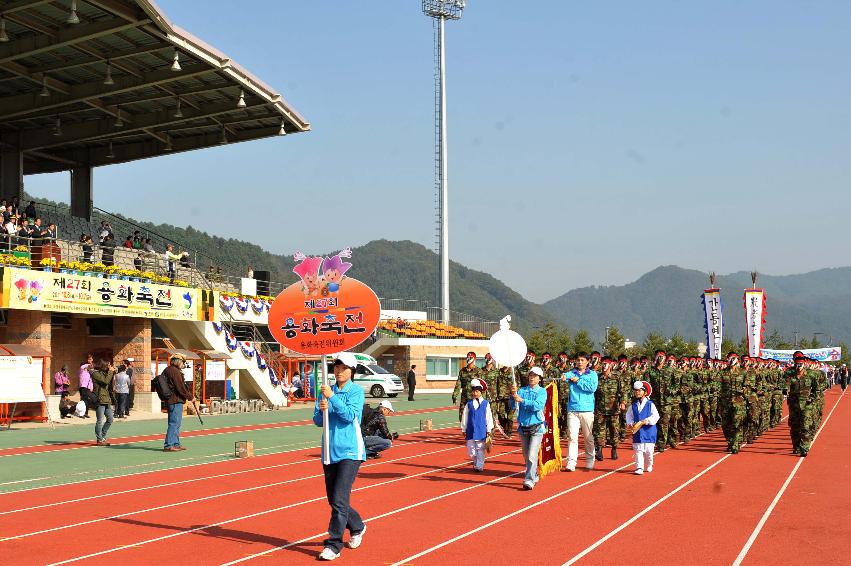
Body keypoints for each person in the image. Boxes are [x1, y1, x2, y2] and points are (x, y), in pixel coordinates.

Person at [313, 352, 367, 561]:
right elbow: (318, 420)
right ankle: (358, 526)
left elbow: (349, 416)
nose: (338, 370)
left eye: (343, 367)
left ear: (351, 370)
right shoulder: (327, 390)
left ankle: (334, 544)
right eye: (336, 366)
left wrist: (332, 399)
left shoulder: (356, 392)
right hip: (329, 450)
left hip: (350, 451)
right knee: (334, 499)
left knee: (339, 499)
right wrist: (322, 409)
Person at [511, 367, 547, 490]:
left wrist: (522, 400)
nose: (532, 377)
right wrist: (513, 395)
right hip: (523, 427)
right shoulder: (521, 390)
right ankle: (534, 473)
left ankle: (529, 480)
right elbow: (513, 405)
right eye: (530, 375)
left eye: (535, 375)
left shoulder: (542, 392)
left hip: (536, 428)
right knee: (526, 455)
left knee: (532, 455)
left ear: (539, 378)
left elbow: (538, 406)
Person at [563, 352, 599, 472]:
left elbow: (592, 388)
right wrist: (564, 376)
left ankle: (590, 459)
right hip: (573, 410)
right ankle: (571, 462)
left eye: (582, 360)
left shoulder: (592, 374)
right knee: (572, 437)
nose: (580, 362)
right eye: (578, 360)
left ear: (587, 362)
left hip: (587, 410)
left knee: (588, 437)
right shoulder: (571, 372)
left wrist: (578, 381)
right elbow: (565, 375)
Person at [625, 380, 660, 475]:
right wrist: (631, 423)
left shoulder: (650, 404)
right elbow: (629, 415)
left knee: (649, 451)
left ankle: (649, 464)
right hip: (637, 431)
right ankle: (639, 467)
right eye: (636, 390)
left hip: (649, 431)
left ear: (645, 392)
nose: (637, 392)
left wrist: (646, 421)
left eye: (639, 390)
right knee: (638, 449)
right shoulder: (633, 405)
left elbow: (656, 416)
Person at [460, 378, 494, 472]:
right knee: (471, 450)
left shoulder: (486, 404)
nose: (475, 393)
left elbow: (489, 417)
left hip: (481, 430)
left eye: (477, 391)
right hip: (470, 430)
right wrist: (463, 428)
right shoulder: (469, 404)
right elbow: (465, 416)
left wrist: (489, 429)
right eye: (473, 391)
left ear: (481, 392)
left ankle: (479, 465)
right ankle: (475, 461)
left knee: (480, 448)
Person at [163, 353, 194, 451]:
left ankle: (175, 443)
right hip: (175, 400)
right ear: (178, 361)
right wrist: (190, 397)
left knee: (176, 423)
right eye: (183, 362)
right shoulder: (175, 371)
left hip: (171, 399)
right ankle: (169, 445)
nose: (183, 364)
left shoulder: (168, 370)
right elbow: (180, 388)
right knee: (174, 423)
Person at [90, 359, 116, 446]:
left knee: (110, 419)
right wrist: (111, 372)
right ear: (102, 366)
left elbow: (109, 382)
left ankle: (102, 436)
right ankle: (99, 440)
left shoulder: (106, 373)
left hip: (107, 399)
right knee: (100, 421)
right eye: (107, 365)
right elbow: (105, 381)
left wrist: (113, 372)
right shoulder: (95, 374)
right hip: (100, 399)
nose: (108, 367)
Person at [453, 352, 482, 421]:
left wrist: (481, 399)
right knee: (462, 417)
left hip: (474, 398)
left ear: (474, 359)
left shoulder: (478, 371)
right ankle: (465, 431)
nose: (468, 359)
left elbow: (482, 386)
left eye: (470, 357)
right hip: (464, 398)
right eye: (468, 357)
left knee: (474, 417)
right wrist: (455, 395)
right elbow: (458, 384)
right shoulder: (462, 371)